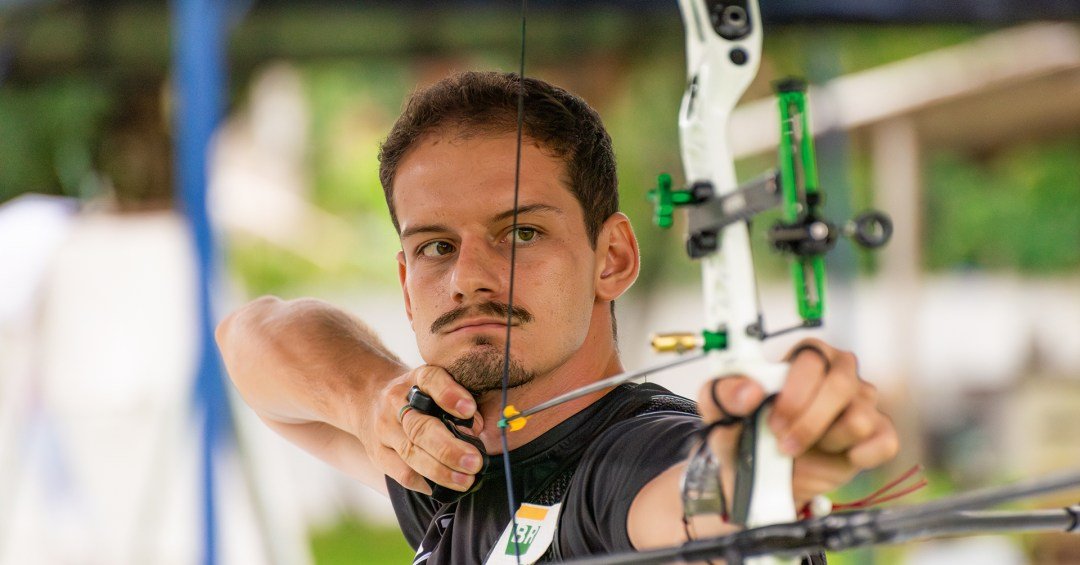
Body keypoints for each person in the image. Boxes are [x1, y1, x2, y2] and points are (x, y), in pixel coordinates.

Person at [216, 71, 898, 563]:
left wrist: (767, 462)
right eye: (435, 247)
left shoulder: (629, 459)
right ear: (404, 281)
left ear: (614, 258)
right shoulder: (447, 462)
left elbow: (693, 501)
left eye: (521, 233)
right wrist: (372, 401)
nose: (468, 277)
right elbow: (248, 336)